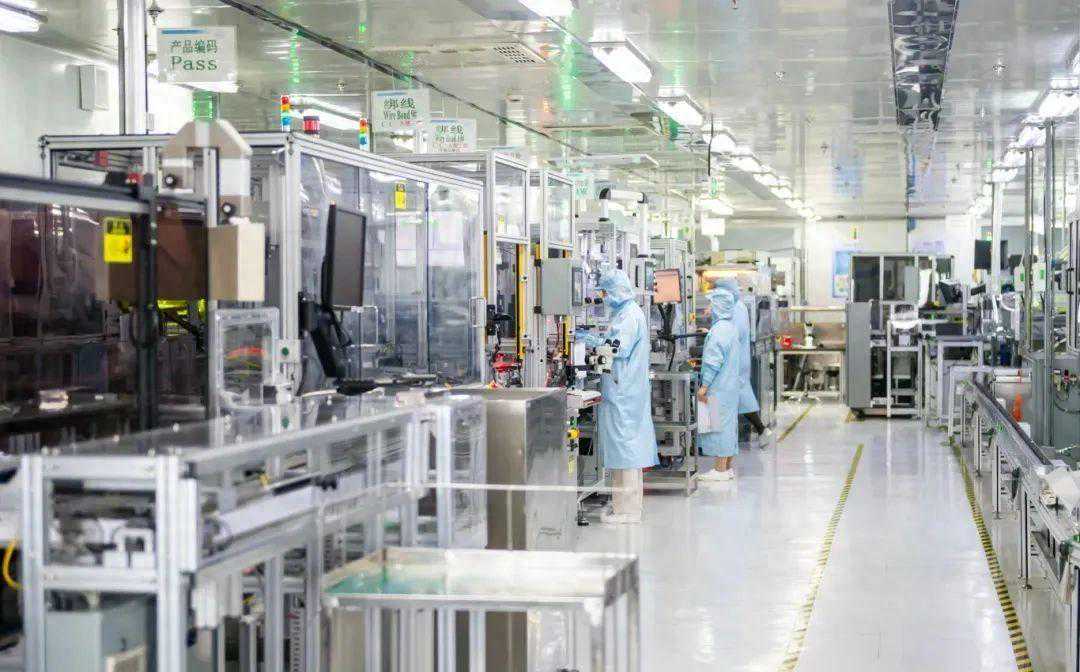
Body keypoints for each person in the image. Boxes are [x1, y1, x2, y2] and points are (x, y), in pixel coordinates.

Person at [576, 269, 658, 524]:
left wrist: (591, 341)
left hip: (623, 392)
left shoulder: (630, 315)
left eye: (605, 292)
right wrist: (597, 339)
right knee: (624, 450)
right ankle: (623, 506)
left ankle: (628, 511)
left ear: (616, 291)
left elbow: (616, 349)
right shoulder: (626, 313)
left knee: (626, 451)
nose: (604, 297)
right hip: (623, 390)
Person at [717, 277, 773, 445]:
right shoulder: (739, 306)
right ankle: (760, 430)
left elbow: (727, 334)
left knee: (716, 397)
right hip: (739, 359)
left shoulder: (733, 309)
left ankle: (716, 440)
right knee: (742, 396)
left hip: (732, 361)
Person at [697, 287, 742, 481]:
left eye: (711, 304)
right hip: (729, 388)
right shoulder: (729, 328)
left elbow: (712, 363)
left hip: (717, 388)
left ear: (718, 307)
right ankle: (727, 467)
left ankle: (720, 470)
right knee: (728, 426)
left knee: (718, 427)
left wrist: (703, 387)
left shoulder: (718, 332)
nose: (708, 308)